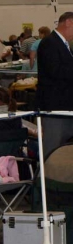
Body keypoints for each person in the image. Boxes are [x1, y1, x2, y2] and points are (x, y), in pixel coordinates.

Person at [36, 11, 73, 158]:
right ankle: (44, 179)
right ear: (68, 22)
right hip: (55, 109)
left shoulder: (65, 45)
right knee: (51, 151)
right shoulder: (49, 43)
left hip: (65, 107)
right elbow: (55, 71)